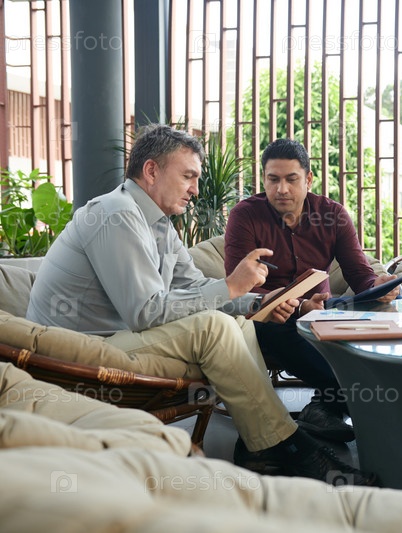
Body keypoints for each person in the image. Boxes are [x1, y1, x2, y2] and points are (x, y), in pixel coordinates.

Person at [25, 124, 375, 486]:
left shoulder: (158, 225)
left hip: (116, 338)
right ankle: (291, 446)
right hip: (77, 352)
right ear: (151, 171)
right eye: (188, 176)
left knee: (241, 321)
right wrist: (231, 286)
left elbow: (194, 285)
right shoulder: (116, 213)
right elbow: (145, 312)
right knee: (214, 326)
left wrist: (258, 300)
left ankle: (260, 445)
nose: (195, 188)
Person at [224, 138, 400, 443]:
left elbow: (360, 274)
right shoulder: (245, 215)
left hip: (322, 310)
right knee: (279, 326)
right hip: (266, 316)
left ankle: (324, 406)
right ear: (263, 180)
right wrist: (299, 305)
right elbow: (241, 288)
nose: (281, 189)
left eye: (291, 179)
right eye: (273, 179)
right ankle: (358, 402)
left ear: (308, 179)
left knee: (377, 309)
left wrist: (378, 288)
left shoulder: (332, 214)